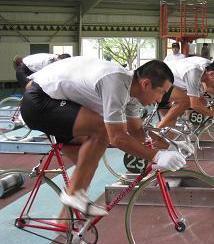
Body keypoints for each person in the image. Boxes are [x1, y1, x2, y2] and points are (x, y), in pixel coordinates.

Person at [20, 57, 190, 216]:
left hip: (55, 100)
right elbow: (117, 137)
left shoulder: (131, 92)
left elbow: (137, 131)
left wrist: (169, 146)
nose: (160, 100)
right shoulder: (116, 83)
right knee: (102, 130)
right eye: (161, 92)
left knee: (84, 170)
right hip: (38, 102)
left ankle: (67, 224)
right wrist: (158, 156)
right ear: (146, 84)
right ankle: (73, 195)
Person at [157, 56, 214, 129]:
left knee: (170, 130)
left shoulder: (209, 68)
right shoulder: (195, 74)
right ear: (211, 74)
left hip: (169, 79)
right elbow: (194, 105)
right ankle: (158, 128)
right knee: (186, 101)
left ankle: (161, 131)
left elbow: (205, 92)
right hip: (159, 79)